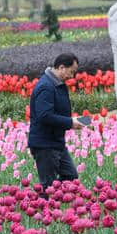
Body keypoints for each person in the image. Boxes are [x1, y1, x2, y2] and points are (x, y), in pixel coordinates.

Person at [28, 53, 85, 198]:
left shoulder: (58, 85)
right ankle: (41, 209)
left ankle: (53, 205)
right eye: (71, 71)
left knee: (71, 177)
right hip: (45, 144)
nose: (72, 76)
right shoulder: (46, 86)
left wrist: (73, 120)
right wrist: (70, 122)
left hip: (57, 142)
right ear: (61, 67)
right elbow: (44, 116)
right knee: (49, 186)